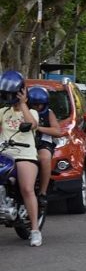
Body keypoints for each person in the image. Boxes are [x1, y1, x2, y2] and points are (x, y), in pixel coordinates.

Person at [0, 71, 41, 246]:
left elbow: (32, 125)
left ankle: (35, 230)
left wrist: (23, 104)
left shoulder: (31, 112)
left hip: (25, 154)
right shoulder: (2, 112)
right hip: (4, 154)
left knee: (26, 188)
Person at [27, 86, 62, 210]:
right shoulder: (24, 111)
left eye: (40, 105)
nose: (38, 107)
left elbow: (57, 131)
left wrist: (38, 128)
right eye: (35, 105)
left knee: (45, 158)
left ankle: (43, 192)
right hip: (24, 142)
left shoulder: (49, 113)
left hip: (42, 142)